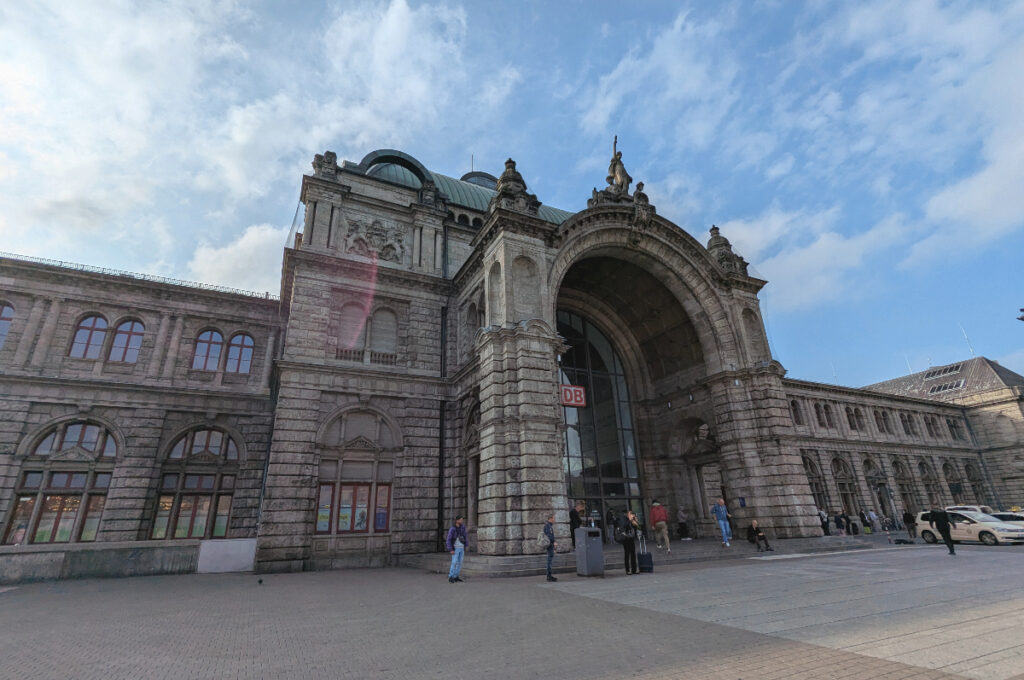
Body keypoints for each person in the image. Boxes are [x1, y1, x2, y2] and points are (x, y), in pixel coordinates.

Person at [446, 516, 468, 583]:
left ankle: (456, 576)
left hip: (461, 547)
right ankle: (451, 576)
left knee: (460, 563)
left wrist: (466, 545)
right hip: (455, 548)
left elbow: (465, 536)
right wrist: (450, 549)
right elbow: (449, 539)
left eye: (462, 520)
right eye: (461, 520)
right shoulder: (452, 529)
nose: (462, 521)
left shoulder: (463, 527)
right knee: (454, 562)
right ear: (457, 520)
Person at [618, 509, 640, 575]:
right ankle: (627, 570)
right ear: (628, 514)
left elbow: (636, 527)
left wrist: (635, 521)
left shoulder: (632, 520)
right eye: (631, 514)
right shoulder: (624, 519)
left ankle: (634, 569)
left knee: (633, 553)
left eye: (633, 514)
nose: (632, 516)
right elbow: (623, 527)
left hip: (631, 538)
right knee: (627, 554)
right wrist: (629, 521)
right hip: (626, 538)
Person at [544, 513, 558, 581]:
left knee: (550, 559)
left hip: (550, 544)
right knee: (549, 560)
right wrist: (553, 542)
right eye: (553, 518)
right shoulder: (548, 526)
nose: (554, 520)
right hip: (550, 545)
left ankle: (549, 575)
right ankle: (549, 576)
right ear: (550, 519)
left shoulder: (549, 526)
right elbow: (550, 536)